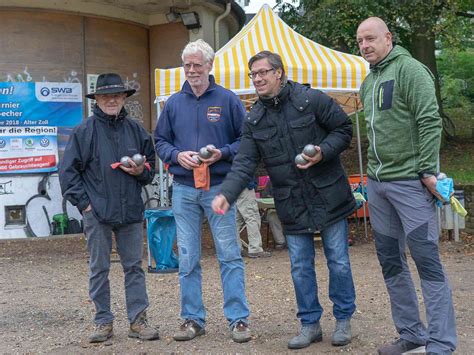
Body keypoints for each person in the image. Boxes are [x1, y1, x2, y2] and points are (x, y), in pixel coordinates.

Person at [212, 50, 357, 350]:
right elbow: (244, 163)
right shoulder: (254, 118)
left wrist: (322, 151)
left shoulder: (311, 99)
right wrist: (227, 193)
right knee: (300, 266)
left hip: (328, 193)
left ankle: (343, 319)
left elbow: (343, 130)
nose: (258, 78)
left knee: (339, 262)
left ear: (279, 72)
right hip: (291, 200)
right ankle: (310, 324)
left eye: (263, 72)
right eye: (254, 74)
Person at [356, 17, 457, 355]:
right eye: (359, 41)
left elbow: (430, 120)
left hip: (411, 184)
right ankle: (412, 334)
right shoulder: (368, 82)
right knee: (390, 261)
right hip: (379, 186)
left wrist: (428, 170)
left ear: (388, 38)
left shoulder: (411, 71)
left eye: (370, 38)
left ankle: (441, 344)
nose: (365, 45)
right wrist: (370, 177)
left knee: (427, 261)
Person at [154, 39, 251, 343]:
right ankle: (193, 319)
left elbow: (245, 141)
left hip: (219, 188)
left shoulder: (228, 100)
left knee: (229, 254)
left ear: (210, 66)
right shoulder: (173, 103)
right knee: (187, 257)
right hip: (184, 188)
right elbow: (160, 141)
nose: (192, 70)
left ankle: (238, 320)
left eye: (198, 64)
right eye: (187, 65)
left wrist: (221, 153)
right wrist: (175, 155)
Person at [59, 73, 159, 343]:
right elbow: (68, 174)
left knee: (134, 268)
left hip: (130, 213)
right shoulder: (84, 132)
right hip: (98, 214)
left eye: (117, 95)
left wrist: (141, 171)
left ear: (124, 98)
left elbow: (150, 169)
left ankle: (138, 321)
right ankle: (103, 322)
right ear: (97, 100)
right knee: (99, 269)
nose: (112, 99)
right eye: (106, 96)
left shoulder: (137, 131)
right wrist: (85, 205)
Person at [236, 178, 272, 258]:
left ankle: (236, 248)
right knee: (252, 217)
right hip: (244, 185)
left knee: (236, 220)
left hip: (231, 186)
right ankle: (255, 249)